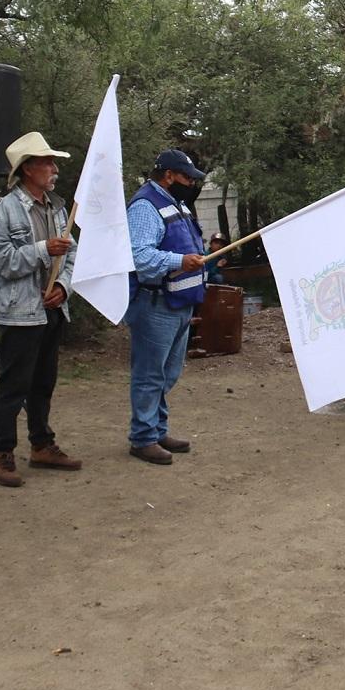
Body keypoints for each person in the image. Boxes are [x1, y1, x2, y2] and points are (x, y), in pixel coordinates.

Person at [0, 132, 80, 488]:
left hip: (51, 310)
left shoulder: (57, 206)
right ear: (27, 169)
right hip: (20, 313)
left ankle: (41, 444)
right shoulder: (5, 209)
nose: (54, 169)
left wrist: (62, 287)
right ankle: (2, 453)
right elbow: (0, 262)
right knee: (14, 385)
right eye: (46, 162)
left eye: (53, 163)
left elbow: (72, 254)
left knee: (43, 382)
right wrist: (43, 250)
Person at [124, 149, 207, 465]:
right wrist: (181, 261)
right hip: (155, 302)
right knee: (149, 374)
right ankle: (143, 437)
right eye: (187, 177)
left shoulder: (176, 204)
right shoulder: (146, 206)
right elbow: (139, 258)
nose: (191, 183)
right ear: (169, 176)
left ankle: (156, 430)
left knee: (167, 373)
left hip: (179, 302)